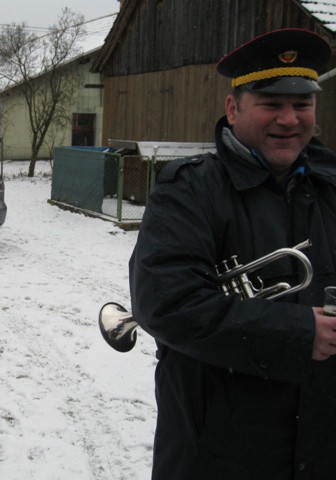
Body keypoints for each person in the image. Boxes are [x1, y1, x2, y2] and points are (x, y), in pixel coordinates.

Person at [129, 28, 336, 479]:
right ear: (233, 109)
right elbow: (167, 304)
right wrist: (299, 332)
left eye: (302, 105)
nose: (289, 119)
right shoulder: (190, 188)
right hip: (220, 448)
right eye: (271, 104)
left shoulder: (331, 184)